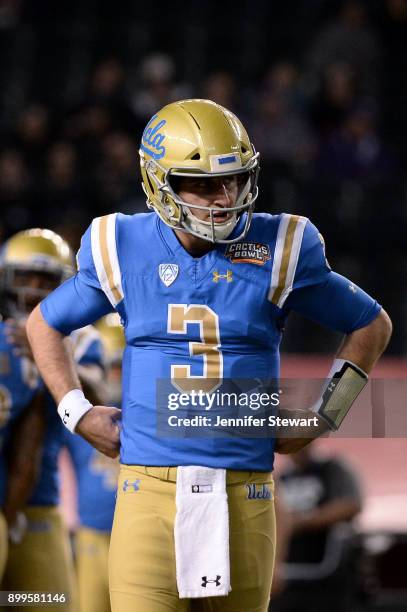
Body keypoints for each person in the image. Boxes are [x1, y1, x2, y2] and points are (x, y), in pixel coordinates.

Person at [26, 99, 392, 612]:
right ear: (159, 183)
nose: (223, 198)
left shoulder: (280, 245)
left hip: (246, 493)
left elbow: (371, 324)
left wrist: (326, 416)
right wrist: (76, 412)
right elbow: (43, 323)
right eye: (201, 184)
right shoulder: (122, 243)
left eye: (235, 180)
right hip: (148, 490)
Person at [0, 228, 105, 612]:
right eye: (24, 277)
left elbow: (102, 393)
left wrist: (51, 354)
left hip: (41, 501)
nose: (32, 290)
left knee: (49, 602)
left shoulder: (80, 339)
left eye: (45, 281)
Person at [65, 313, 124, 612]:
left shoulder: (155, 415)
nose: (114, 378)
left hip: (136, 533)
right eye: (110, 368)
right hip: (90, 533)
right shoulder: (79, 416)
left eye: (122, 369)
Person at [271, 446, 362, 612]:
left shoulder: (332, 468)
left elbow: (351, 505)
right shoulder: (282, 478)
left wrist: (301, 521)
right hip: (288, 572)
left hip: (326, 574)